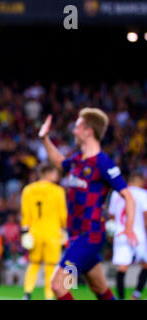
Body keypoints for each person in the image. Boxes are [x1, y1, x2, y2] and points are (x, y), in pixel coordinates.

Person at [39, 108, 138, 300]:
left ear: (88, 131)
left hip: (89, 235)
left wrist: (129, 228)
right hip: (76, 235)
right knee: (99, 287)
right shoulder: (78, 160)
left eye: (77, 127)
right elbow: (60, 162)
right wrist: (44, 138)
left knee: (58, 285)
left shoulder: (103, 163)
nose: (74, 131)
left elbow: (128, 196)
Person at [20, 163, 68, 300]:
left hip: (35, 232)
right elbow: (63, 214)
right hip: (52, 233)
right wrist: (64, 229)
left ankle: (27, 293)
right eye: (54, 173)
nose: (57, 176)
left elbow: (25, 213)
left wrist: (24, 231)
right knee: (51, 266)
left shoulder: (28, 190)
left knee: (34, 264)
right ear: (48, 174)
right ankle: (48, 295)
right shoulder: (58, 191)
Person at [107, 171, 147, 300]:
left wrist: (111, 235)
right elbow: (145, 217)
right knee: (145, 265)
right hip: (138, 234)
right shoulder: (143, 194)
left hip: (120, 233)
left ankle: (121, 298)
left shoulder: (115, 194)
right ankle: (136, 295)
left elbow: (112, 216)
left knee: (122, 267)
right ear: (140, 182)